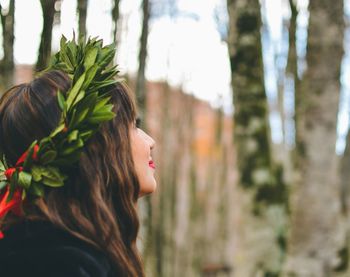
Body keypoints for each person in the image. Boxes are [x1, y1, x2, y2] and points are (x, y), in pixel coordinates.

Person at [0, 39, 156, 276]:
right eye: (133, 125)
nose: (150, 141)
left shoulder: (68, 252)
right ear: (95, 145)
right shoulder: (57, 264)